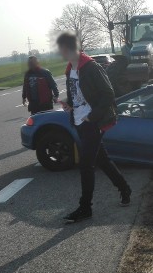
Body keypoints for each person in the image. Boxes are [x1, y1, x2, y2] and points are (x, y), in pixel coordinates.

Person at [56, 32, 132, 223]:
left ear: (68, 48)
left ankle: (85, 208)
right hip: (80, 121)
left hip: (92, 122)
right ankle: (125, 188)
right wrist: (68, 103)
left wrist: (92, 116)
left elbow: (108, 94)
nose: (59, 53)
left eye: (61, 49)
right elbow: (77, 95)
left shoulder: (91, 67)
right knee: (102, 160)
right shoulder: (70, 70)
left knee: (86, 164)